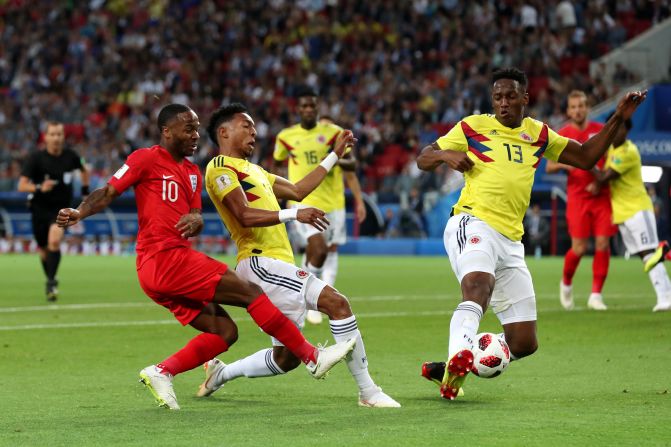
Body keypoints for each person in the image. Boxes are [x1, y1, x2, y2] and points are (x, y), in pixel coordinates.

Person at [55, 104, 356, 410]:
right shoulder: (146, 158)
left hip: (164, 270)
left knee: (225, 332)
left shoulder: (192, 173)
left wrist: (196, 220)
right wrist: (80, 211)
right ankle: (312, 357)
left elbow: (194, 215)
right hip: (163, 258)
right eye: (189, 129)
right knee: (251, 293)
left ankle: (162, 371)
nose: (196, 136)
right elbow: (108, 191)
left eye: (197, 129)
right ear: (166, 131)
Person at [415, 67, 645, 400]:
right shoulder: (472, 126)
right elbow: (423, 158)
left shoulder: (538, 133)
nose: (503, 103)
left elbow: (585, 156)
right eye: (497, 97)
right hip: (472, 221)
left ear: (525, 98)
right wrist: (443, 154)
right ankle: (457, 361)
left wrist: (617, 118)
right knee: (478, 285)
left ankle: (455, 365)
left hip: (511, 240)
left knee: (524, 342)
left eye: (510, 96)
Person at [200, 103, 399, 408]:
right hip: (258, 261)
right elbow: (242, 214)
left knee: (286, 358)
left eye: (254, 127)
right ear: (224, 132)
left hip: (275, 263)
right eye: (246, 126)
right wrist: (294, 215)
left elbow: (298, 188)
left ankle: (221, 374)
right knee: (337, 303)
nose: (254, 132)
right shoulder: (220, 166)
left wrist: (334, 154)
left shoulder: (257, 171)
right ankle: (369, 392)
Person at [273, 87, 366, 325]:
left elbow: (352, 164)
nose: (308, 110)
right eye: (303, 106)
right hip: (303, 201)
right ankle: (308, 295)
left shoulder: (334, 133)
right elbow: (277, 166)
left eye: (312, 106)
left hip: (333, 204)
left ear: (317, 108)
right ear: (297, 109)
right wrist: (279, 193)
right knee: (319, 249)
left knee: (327, 251)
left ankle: (305, 295)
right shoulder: (286, 136)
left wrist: (337, 158)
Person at [546, 90, 614, 311]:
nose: (577, 110)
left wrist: (600, 181)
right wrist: (569, 163)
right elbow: (549, 166)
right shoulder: (563, 134)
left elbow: (610, 160)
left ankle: (596, 295)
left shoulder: (599, 131)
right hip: (577, 197)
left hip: (602, 195)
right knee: (579, 248)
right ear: (568, 110)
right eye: (573, 107)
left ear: (587, 107)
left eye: (581, 106)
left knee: (603, 243)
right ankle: (566, 282)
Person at [595, 114, 671, 312]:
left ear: (627, 130)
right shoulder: (612, 149)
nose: (614, 133)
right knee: (644, 255)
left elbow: (604, 177)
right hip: (622, 213)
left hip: (638, 209)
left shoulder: (628, 152)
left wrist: (585, 164)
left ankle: (665, 297)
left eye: (618, 129)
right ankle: (666, 293)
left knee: (650, 253)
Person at [18, 121, 90, 302]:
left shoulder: (71, 156)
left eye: (59, 134)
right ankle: (51, 277)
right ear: (46, 137)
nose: (56, 138)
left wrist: (85, 190)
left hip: (60, 209)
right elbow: (22, 185)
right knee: (44, 250)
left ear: (63, 137)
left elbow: (84, 169)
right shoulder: (36, 158)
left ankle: (51, 282)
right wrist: (40, 187)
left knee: (54, 241)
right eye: (53, 134)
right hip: (39, 209)